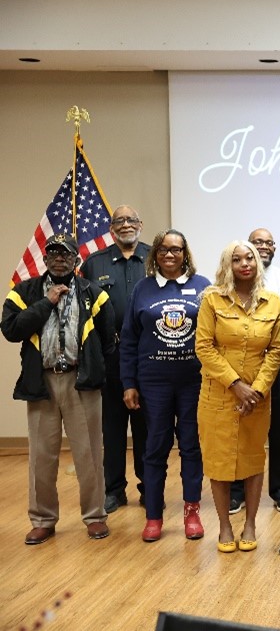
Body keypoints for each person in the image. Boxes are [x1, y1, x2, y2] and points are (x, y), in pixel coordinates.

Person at [3, 233, 115, 544]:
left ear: (77, 259)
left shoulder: (94, 293)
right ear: (45, 259)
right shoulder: (24, 292)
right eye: (53, 253)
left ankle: (94, 516)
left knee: (89, 454)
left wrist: (95, 371)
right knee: (41, 456)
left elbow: (108, 341)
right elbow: (11, 329)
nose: (59, 258)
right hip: (42, 382)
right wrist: (45, 302)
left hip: (82, 383)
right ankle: (43, 519)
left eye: (65, 254)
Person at [120, 229, 210, 542]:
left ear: (186, 254)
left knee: (191, 447)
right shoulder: (143, 289)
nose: (169, 255)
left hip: (193, 382)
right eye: (163, 250)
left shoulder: (202, 287)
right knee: (154, 448)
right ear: (155, 254)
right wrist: (129, 383)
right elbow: (129, 340)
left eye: (176, 250)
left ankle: (192, 512)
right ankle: (154, 516)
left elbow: (213, 335)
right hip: (153, 383)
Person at [195, 240, 280, 552]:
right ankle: (223, 527)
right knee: (218, 461)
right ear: (228, 265)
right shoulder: (212, 300)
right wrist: (236, 385)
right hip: (218, 395)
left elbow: (276, 350)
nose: (245, 263)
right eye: (237, 259)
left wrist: (257, 389)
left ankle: (249, 523)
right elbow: (203, 347)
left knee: (253, 458)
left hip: (257, 399)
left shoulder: (272, 302)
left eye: (250, 258)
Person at [80, 206, 150, 514]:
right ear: (111, 228)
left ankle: (149, 487)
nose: (125, 225)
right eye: (119, 220)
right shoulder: (93, 264)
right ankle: (113, 490)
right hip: (111, 356)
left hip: (148, 356)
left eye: (131, 220)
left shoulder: (155, 257)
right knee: (112, 426)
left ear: (140, 225)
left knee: (147, 426)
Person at [227, 229, 280, 515]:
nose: (264, 247)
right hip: (241, 367)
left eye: (269, 243)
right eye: (258, 243)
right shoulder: (228, 283)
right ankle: (236, 493)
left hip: (279, 365)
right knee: (240, 428)